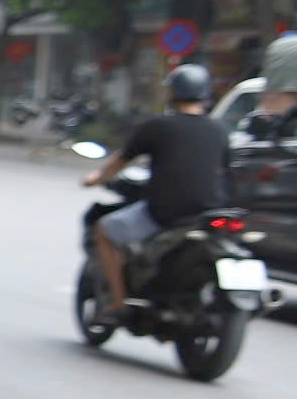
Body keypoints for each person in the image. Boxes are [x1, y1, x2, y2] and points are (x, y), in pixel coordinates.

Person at [80, 61, 231, 312]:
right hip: (207, 213)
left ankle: (118, 302)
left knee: (104, 231)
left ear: (171, 92)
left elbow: (120, 161)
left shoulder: (158, 127)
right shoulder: (220, 130)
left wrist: (96, 178)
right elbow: (225, 170)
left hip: (166, 214)